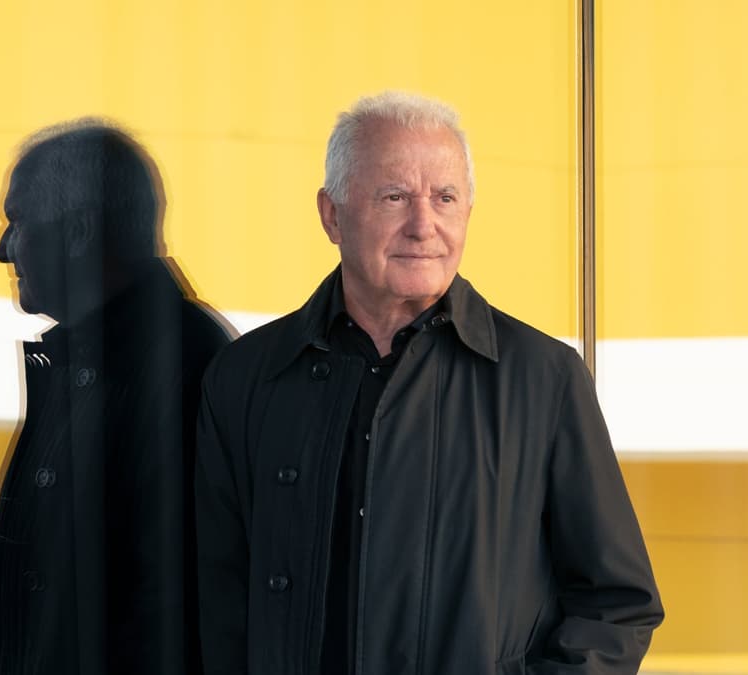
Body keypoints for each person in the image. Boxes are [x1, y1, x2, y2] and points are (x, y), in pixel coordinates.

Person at [195, 91, 663, 675]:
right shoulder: (245, 377)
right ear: (332, 215)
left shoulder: (543, 379)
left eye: (445, 198)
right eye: (394, 197)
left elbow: (617, 605)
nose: (424, 226)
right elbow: (217, 603)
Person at [0, 120, 232, 674]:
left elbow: (164, 614)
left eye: (18, 221)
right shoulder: (96, 359)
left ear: (79, 231)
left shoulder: (180, 369)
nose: (1, 249)